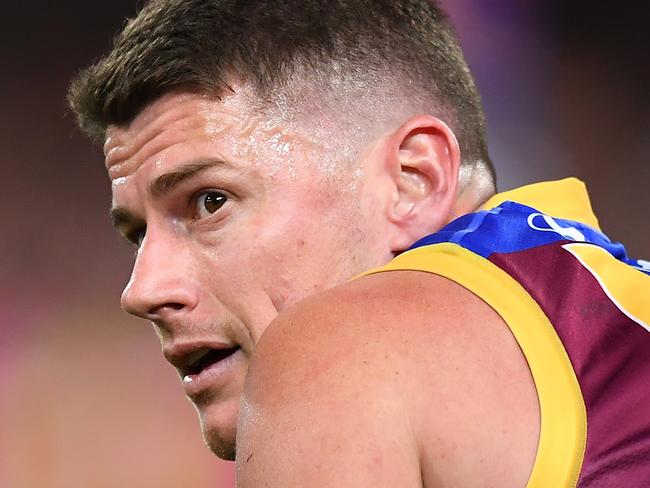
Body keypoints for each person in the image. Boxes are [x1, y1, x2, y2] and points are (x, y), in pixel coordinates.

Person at [67, 0, 650, 486]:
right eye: (138, 234)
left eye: (210, 201)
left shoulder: (330, 348)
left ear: (412, 180)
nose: (141, 290)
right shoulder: (600, 307)